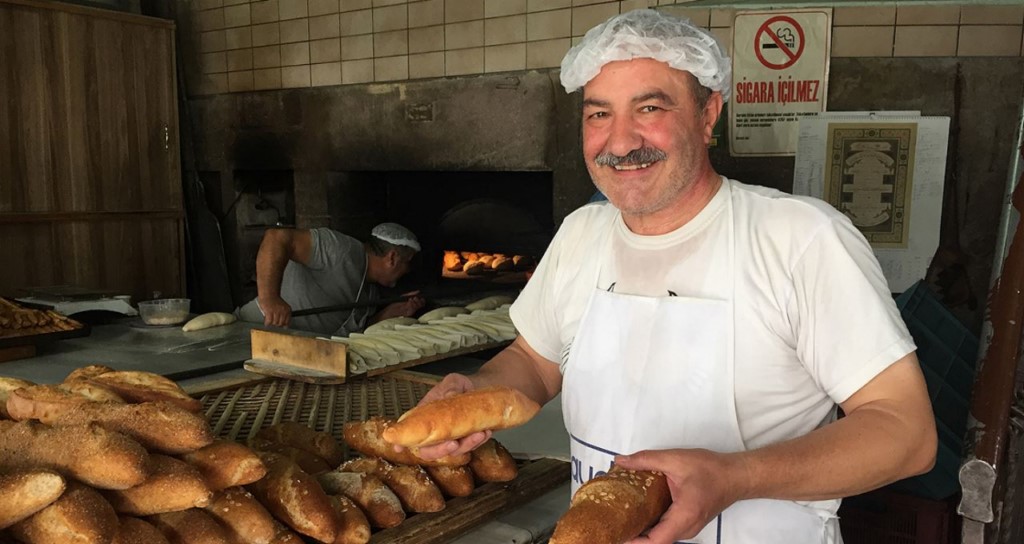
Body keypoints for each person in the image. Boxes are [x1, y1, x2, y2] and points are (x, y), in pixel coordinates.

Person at [411, 9, 936, 544]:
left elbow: (906, 431)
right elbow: (534, 363)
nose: (618, 143)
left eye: (650, 107)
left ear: (709, 114)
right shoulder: (581, 234)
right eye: (598, 115)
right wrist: (472, 390)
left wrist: (734, 477)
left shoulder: (800, 239)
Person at [236, 222, 425, 336]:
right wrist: (270, 298)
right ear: (392, 258)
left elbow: (353, 334)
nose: (407, 271)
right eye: (407, 263)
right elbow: (277, 237)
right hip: (247, 332)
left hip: (290, 353)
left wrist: (391, 313)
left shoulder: (369, 293)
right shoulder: (339, 250)